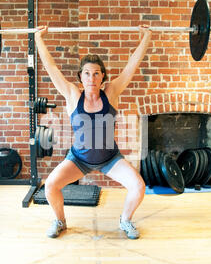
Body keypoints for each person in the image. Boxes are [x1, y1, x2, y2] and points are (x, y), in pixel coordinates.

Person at [35, 25, 152, 239]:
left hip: (110, 158)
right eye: (87, 73)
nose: (91, 78)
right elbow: (51, 67)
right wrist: (38, 39)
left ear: (102, 76)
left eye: (96, 73)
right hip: (79, 159)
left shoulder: (111, 92)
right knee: (50, 186)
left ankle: (125, 221)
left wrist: (146, 36)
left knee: (138, 186)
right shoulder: (72, 94)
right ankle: (60, 221)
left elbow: (131, 67)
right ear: (81, 76)